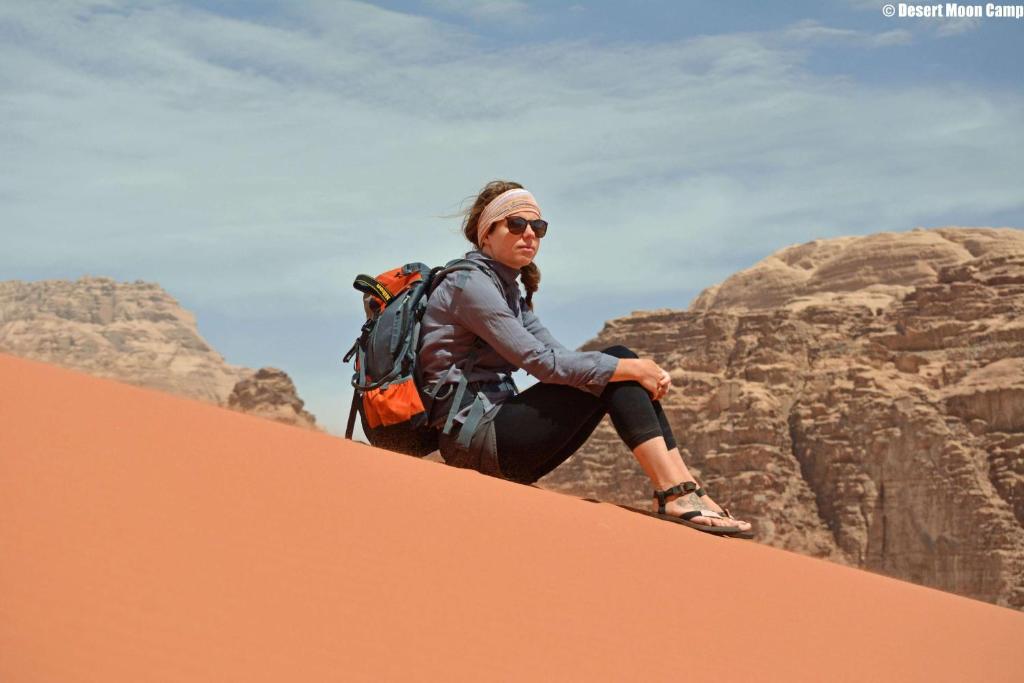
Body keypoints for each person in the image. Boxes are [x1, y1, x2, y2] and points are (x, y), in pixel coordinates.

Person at [418, 180, 752, 535]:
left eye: (538, 227)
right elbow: (542, 363)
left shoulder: (509, 292)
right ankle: (675, 493)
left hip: (496, 441)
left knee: (617, 368)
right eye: (516, 224)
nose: (529, 234)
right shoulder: (469, 285)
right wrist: (629, 367)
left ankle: (688, 489)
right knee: (618, 364)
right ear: (486, 234)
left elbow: (561, 357)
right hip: (474, 443)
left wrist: (631, 370)